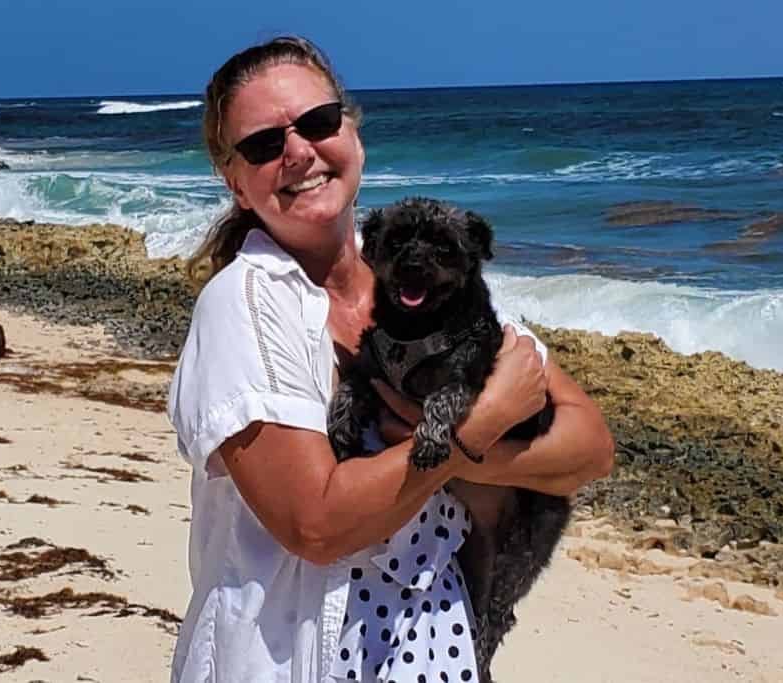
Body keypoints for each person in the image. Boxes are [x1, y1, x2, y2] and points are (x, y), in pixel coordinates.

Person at [167, 36, 614, 683]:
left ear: (352, 131)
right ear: (235, 182)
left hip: (439, 644)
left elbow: (591, 445)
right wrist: (473, 432)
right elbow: (316, 525)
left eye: (318, 122)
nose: (298, 151)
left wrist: (471, 449)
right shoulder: (245, 305)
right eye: (263, 144)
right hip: (298, 658)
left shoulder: (421, 270)